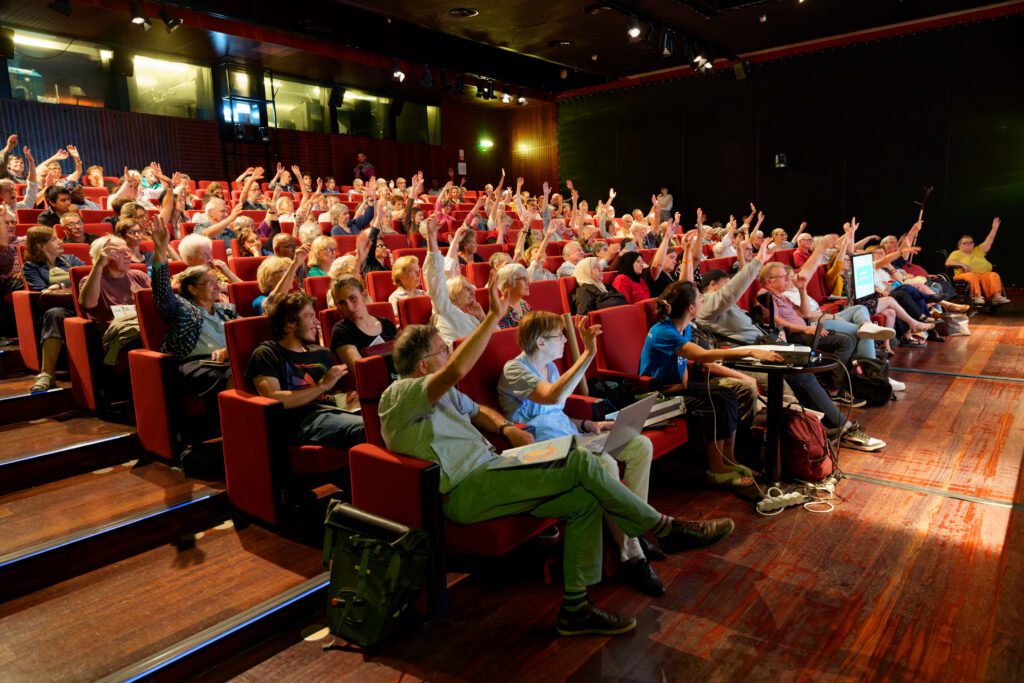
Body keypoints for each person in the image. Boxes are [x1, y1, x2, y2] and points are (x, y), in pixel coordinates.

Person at [380, 272, 735, 637]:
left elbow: (477, 411)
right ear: (423, 365)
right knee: (583, 460)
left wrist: (504, 427)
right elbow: (457, 369)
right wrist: (492, 316)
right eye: (442, 348)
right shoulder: (400, 395)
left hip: (495, 468)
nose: (449, 352)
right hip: (464, 489)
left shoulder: (447, 395)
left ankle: (575, 608)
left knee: (583, 500)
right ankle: (662, 528)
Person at [498, 311, 665, 595]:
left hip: (574, 437)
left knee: (640, 445)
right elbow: (553, 397)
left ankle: (632, 531)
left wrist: (590, 424)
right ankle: (633, 555)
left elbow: (556, 414)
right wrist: (588, 353)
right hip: (550, 452)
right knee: (607, 465)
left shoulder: (550, 368)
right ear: (540, 342)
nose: (564, 340)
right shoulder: (514, 370)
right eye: (559, 335)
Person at [697, 264, 887, 452]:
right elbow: (730, 294)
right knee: (801, 377)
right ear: (713, 285)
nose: (732, 286)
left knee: (806, 372)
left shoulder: (726, 307)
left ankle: (825, 428)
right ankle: (837, 430)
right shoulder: (707, 303)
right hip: (751, 352)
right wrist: (756, 262)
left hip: (767, 343)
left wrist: (774, 333)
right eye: (727, 282)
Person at [150, 218, 238, 442]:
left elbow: (246, 333)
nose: (217, 286)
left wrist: (229, 352)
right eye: (210, 283)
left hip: (227, 360)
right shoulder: (182, 307)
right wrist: (160, 249)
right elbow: (161, 293)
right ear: (191, 288)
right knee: (234, 375)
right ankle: (233, 430)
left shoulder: (226, 309)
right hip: (193, 363)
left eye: (215, 282)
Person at [246, 291, 365, 450]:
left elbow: (334, 393)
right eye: (309, 316)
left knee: (390, 420)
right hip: (301, 420)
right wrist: (322, 387)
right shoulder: (267, 353)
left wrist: (349, 397)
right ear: (290, 322)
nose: (316, 322)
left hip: (332, 410)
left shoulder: (321, 353)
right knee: (366, 428)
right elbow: (273, 399)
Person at [22, 226, 86, 392]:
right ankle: (47, 374)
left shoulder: (71, 259)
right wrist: (68, 284)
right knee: (54, 313)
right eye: (54, 239)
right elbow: (41, 292)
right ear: (40, 246)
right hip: (53, 309)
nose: (60, 241)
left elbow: (86, 279)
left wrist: (58, 285)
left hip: (80, 304)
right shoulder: (31, 267)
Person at [78, 235, 151, 364]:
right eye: (120, 252)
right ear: (103, 256)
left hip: (143, 327)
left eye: (127, 251)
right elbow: (88, 304)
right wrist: (99, 265)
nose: (128, 255)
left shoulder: (139, 276)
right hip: (117, 337)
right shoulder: (92, 280)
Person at [423, 217, 486, 345]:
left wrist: (482, 317)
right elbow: (436, 277)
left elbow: (494, 338)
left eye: (471, 288)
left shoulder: (471, 316)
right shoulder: (444, 309)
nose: (473, 292)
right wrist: (432, 236)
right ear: (454, 293)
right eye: (466, 289)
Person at [330, 276, 398, 373]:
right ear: (337, 306)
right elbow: (360, 369)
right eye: (342, 303)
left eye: (352, 298)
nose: (349, 307)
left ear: (364, 296)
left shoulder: (386, 324)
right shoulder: (341, 331)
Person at [945, 218, 1010, 306]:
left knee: (993, 274)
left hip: (982, 274)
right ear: (960, 245)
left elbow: (989, 241)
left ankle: (996, 297)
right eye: (965, 243)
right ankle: (977, 297)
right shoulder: (957, 253)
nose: (969, 244)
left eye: (971, 242)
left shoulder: (978, 250)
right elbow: (949, 262)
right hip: (964, 274)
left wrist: (994, 229)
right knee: (972, 275)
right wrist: (962, 264)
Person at [175, 234, 241, 303]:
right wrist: (218, 290)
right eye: (205, 255)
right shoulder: (182, 278)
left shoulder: (218, 271)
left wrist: (228, 272)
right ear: (190, 258)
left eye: (211, 254)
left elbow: (246, 290)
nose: (210, 258)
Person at [496, 263, 532, 329]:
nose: (529, 283)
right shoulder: (499, 309)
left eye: (527, 279)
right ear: (508, 284)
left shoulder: (524, 304)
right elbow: (504, 337)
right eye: (524, 279)